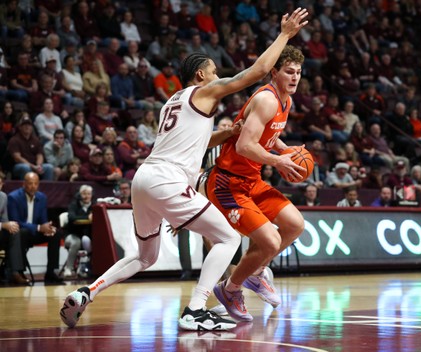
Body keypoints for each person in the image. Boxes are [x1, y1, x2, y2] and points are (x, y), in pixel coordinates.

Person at [60, 8, 309, 331]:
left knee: (145, 257)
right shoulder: (203, 91)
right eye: (214, 71)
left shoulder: (174, 102)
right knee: (228, 238)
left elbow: (197, 143)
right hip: (169, 180)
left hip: (145, 180)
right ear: (201, 76)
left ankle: (86, 292)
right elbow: (257, 71)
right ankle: (196, 308)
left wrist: (227, 134)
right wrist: (285, 34)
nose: (219, 77)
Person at [205, 44, 308, 322]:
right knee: (271, 241)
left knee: (295, 225)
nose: (295, 77)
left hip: (252, 179)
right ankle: (230, 289)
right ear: (274, 72)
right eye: (289, 72)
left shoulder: (286, 100)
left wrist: (286, 150)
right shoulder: (267, 99)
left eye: (298, 72)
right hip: (228, 183)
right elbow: (243, 146)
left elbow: (268, 135)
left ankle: (255, 272)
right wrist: (279, 161)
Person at [7, 172, 63, 283]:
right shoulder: (13, 197)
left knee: (55, 233)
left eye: (36, 184)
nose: (33, 186)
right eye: (30, 183)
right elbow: (15, 221)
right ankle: (20, 272)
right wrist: (38, 228)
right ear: (24, 184)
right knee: (21, 232)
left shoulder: (42, 197)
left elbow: (43, 220)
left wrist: (48, 228)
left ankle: (51, 271)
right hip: (20, 234)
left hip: (35, 233)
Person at [8, 114, 54, 180]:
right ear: (20, 127)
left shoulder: (36, 140)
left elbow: (40, 154)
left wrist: (38, 166)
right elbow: (17, 158)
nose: (27, 127)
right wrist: (32, 166)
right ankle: (26, 189)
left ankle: (47, 189)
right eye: (24, 125)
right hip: (19, 166)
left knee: (49, 167)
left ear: (32, 127)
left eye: (29, 125)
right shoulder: (14, 140)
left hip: (34, 165)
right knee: (25, 167)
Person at [63, 184, 94, 278]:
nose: (86, 196)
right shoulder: (74, 205)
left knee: (96, 241)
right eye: (84, 194)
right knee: (76, 242)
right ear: (79, 195)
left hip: (88, 236)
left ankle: (90, 267)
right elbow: (71, 218)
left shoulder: (95, 206)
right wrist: (87, 217)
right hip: (72, 234)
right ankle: (68, 268)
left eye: (88, 194)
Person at [0, 172, 25, 285]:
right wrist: (3, 225)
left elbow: (4, 219)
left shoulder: (3, 197)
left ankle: (15, 272)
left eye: (0, 184)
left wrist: (9, 225)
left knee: (14, 231)